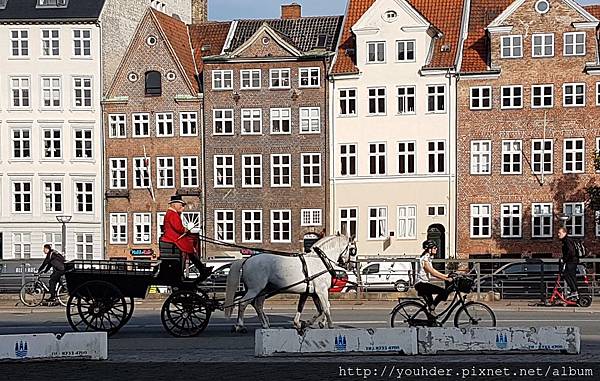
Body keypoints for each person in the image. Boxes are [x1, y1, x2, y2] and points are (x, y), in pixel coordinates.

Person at [161, 195, 212, 279]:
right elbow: (178, 228)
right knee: (188, 247)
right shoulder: (173, 214)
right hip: (173, 238)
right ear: (174, 204)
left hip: (173, 237)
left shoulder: (171, 213)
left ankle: (200, 269)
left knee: (188, 246)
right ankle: (200, 269)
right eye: (181, 205)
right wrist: (186, 230)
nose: (182, 207)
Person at [414, 240, 453, 312]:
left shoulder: (428, 258)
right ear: (429, 249)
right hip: (421, 284)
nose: (436, 249)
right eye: (434, 248)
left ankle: (431, 317)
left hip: (424, 284)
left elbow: (433, 270)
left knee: (431, 306)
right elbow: (432, 273)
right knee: (442, 292)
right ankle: (432, 308)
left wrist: (445, 275)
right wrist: (446, 279)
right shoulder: (425, 259)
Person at [558, 227, 579, 300]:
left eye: (560, 233)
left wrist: (564, 259)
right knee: (572, 277)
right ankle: (576, 294)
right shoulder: (566, 240)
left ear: (564, 233)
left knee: (566, 275)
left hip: (571, 261)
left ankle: (574, 291)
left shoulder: (567, 240)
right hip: (573, 260)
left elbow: (571, 251)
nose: (558, 234)